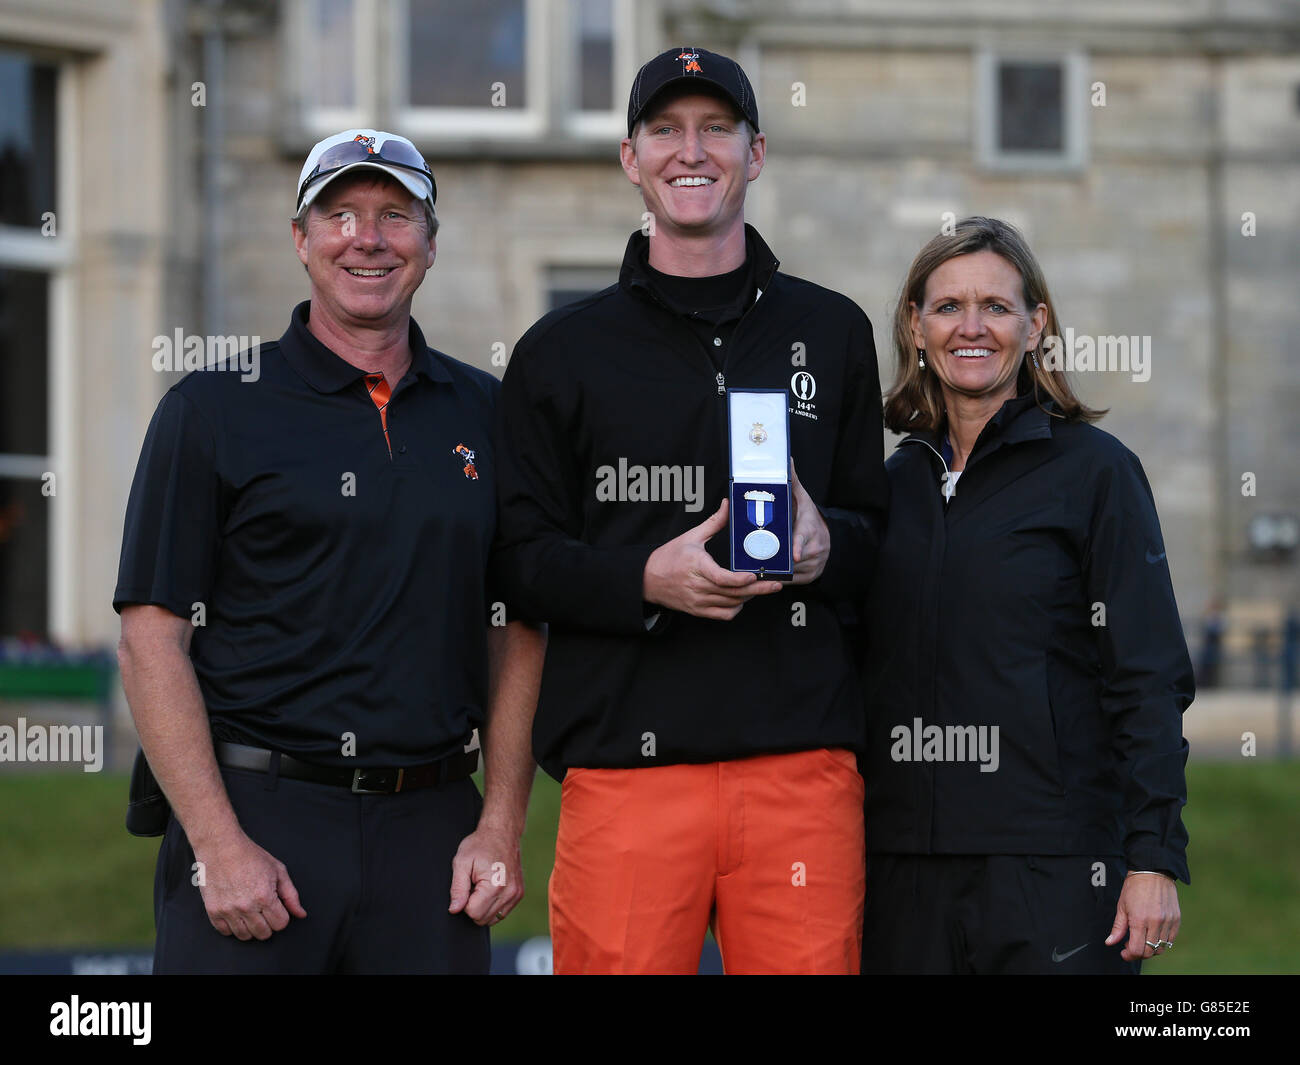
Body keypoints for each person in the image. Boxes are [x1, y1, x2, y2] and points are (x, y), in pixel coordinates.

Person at [114, 129, 544, 974]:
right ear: (302, 239)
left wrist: (498, 825)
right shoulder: (211, 409)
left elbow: (517, 628)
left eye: (394, 214)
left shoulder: (490, 414)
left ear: (428, 241)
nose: (367, 237)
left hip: (433, 834)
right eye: (339, 213)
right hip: (260, 823)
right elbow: (149, 638)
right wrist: (218, 842)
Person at [495, 48, 887, 974]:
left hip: (800, 770)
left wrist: (831, 545)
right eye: (666, 129)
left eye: (717, 127)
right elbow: (517, 559)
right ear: (631, 158)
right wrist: (643, 578)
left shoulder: (832, 331)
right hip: (627, 775)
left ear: (757, 152)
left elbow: (881, 538)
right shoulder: (561, 351)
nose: (691, 149)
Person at [860, 216, 1193, 974]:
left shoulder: (1096, 473)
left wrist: (1151, 857)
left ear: (1036, 324)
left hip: (1057, 872)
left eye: (996, 307)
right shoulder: (884, 489)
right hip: (903, 874)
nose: (970, 328)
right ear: (915, 325)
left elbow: (1147, 675)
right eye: (947, 307)